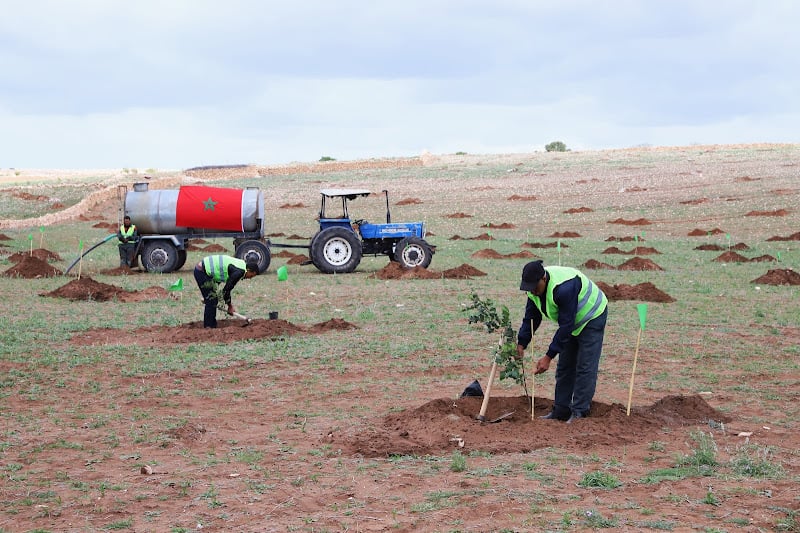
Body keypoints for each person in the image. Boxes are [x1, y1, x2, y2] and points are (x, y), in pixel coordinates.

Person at [516, 260, 608, 423]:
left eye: (535, 287)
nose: (533, 291)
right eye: (529, 288)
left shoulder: (563, 288)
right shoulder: (533, 290)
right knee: (565, 366)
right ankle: (561, 410)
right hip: (571, 321)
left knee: (585, 366)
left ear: (543, 279)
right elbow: (531, 317)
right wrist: (521, 343)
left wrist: (548, 356)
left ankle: (580, 412)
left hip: (592, 315)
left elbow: (566, 326)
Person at [194, 255, 260, 328]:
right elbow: (226, 290)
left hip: (206, 270)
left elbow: (220, 277)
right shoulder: (239, 272)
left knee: (211, 299)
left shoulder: (242, 265)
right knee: (212, 300)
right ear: (248, 270)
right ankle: (209, 327)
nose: (249, 278)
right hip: (202, 271)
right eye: (251, 276)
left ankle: (211, 325)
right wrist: (230, 306)